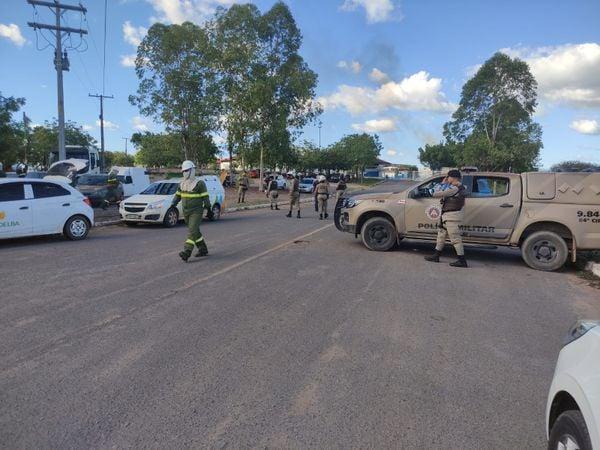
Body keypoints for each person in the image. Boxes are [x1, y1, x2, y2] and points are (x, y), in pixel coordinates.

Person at [424, 169, 468, 267]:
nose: (447, 178)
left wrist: (442, 184)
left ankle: (462, 261)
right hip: (447, 216)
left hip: (452, 216)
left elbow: (434, 193)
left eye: (448, 177)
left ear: (453, 177)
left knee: (455, 239)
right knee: (441, 236)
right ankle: (436, 255)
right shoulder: (457, 187)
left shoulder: (454, 188)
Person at [172, 160, 213, 262]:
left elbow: (205, 197)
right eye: (183, 171)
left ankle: (187, 251)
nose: (184, 173)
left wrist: (209, 209)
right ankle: (203, 249)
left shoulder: (199, 184)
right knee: (195, 231)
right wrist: (173, 204)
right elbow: (177, 195)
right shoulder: (182, 184)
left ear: (192, 170)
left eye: (186, 170)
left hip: (196, 211)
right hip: (186, 212)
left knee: (192, 231)